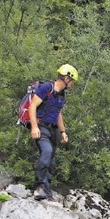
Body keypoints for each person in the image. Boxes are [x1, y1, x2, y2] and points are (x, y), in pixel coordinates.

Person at [29, 64, 78, 200]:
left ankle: (47, 191)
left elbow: (58, 114)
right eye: (73, 81)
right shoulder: (47, 87)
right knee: (46, 151)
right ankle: (38, 188)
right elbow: (33, 105)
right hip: (41, 126)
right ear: (67, 78)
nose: (73, 84)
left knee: (51, 161)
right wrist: (34, 127)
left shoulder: (62, 95)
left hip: (53, 129)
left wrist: (63, 131)